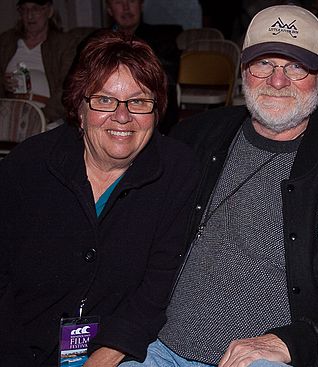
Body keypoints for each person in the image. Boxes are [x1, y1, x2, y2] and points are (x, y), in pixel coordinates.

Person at [121, 5, 318, 367]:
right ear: (243, 70)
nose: (277, 80)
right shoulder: (193, 140)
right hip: (158, 349)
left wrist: (291, 343)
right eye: (264, 63)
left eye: (297, 66)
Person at [0, 30, 198, 367]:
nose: (122, 116)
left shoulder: (177, 171)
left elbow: (162, 283)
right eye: (104, 100)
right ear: (79, 106)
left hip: (116, 353)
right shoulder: (28, 166)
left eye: (138, 101)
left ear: (156, 110)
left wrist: (109, 352)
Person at [105, 0, 182, 134]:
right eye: (118, 2)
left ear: (141, 5)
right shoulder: (98, 42)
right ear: (109, 10)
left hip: (154, 119)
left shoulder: (163, 39)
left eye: (132, 1)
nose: (126, 7)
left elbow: (165, 84)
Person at [0, 0, 76, 124]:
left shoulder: (64, 44)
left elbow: (68, 85)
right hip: (8, 110)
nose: (29, 15)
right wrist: (3, 82)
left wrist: (44, 116)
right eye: (25, 10)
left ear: (49, 11)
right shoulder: (6, 42)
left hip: (46, 113)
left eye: (36, 9)